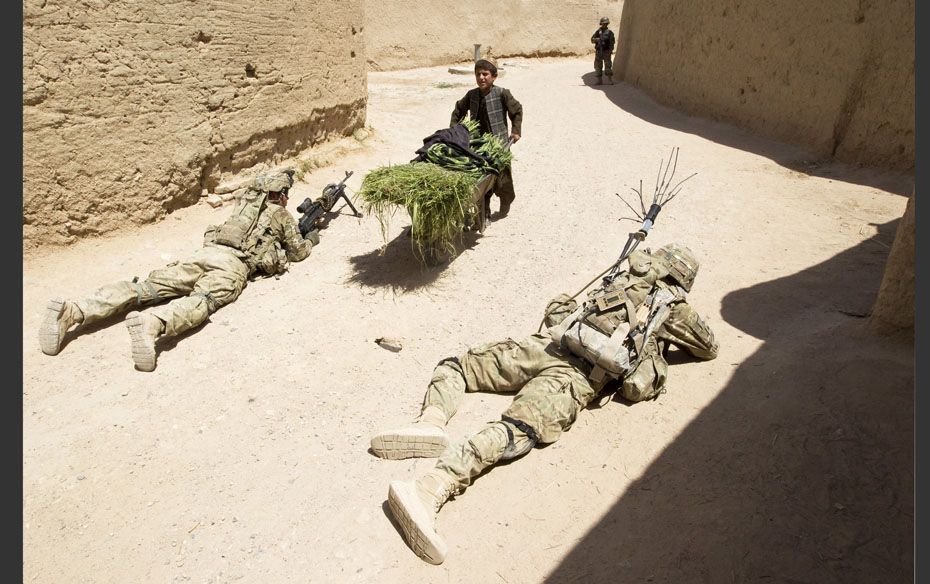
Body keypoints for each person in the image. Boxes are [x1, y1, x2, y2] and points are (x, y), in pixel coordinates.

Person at [369, 243, 719, 564]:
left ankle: (430, 421)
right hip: (578, 378)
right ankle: (428, 488)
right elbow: (708, 348)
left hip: (547, 346)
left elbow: (559, 310)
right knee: (516, 431)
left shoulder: (625, 274)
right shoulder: (674, 308)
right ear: (686, 279)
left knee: (459, 367)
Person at [38, 169, 320, 372]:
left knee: (145, 288)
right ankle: (154, 324)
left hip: (203, 255)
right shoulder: (279, 213)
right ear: (280, 194)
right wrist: (311, 237)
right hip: (232, 265)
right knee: (202, 299)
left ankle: (74, 310)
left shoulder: (242, 209)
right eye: (285, 194)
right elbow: (296, 253)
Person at [450, 59, 523, 219]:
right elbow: (458, 111)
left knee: (502, 178)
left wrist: (516, 131)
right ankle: (484, 210)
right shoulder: (472, 95)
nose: (481, 77)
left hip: (499, 144)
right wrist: (455, 131)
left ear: (494, 77)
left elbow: (517, 110)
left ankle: (506, 201)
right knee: (482, 179)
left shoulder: (502, 93)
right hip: (479, 144)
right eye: (478, 74)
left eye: (485, 74)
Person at [591, 16, 616, 85]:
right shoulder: (598, 32)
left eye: (606, 23)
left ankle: (610, 80)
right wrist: (597, 40)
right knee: (598, 65)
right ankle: (599, 80)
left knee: (608, 65)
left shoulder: (610, 33)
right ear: (601, 24)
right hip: (599, 51)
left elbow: (612, 43)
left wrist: (610, 51)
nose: (604, 25)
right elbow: (592, 39)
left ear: (607, 24)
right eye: (603, 23)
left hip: (606, 51)